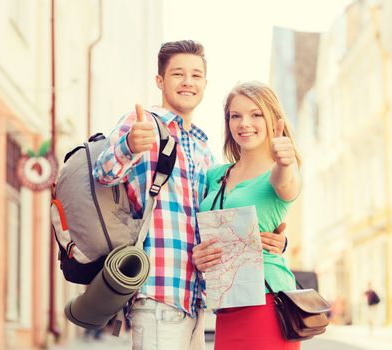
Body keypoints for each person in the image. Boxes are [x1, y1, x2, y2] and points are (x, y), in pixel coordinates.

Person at [94, 41, 286, 350]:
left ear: (205, 84)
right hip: (159, 291)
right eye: (178, 74)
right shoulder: (141, 124)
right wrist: (129, 144)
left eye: (196, 75)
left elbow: (220, 219)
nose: (188, 82)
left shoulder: (202, 150)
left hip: (198, 299)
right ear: (160, 81)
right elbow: (103, 173)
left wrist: (274, 240)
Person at [192, 81, 302, 349]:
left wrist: (285, 162)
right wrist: (198, 254)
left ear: (272, 119)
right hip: (226, 303)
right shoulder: (216, 175)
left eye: (256, 114)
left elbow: (285, 183)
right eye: (235, 116)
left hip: (266, 303)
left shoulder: (277, 173)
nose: (244, 123)